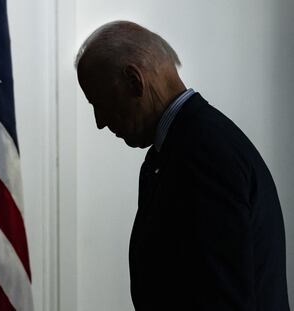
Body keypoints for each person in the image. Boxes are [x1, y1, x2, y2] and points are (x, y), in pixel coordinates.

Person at [75, 21, 290, 310]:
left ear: (134, 81)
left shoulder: (204, 153)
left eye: (99, 102)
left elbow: (222, 299)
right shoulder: (181, 148)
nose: (99, 122)